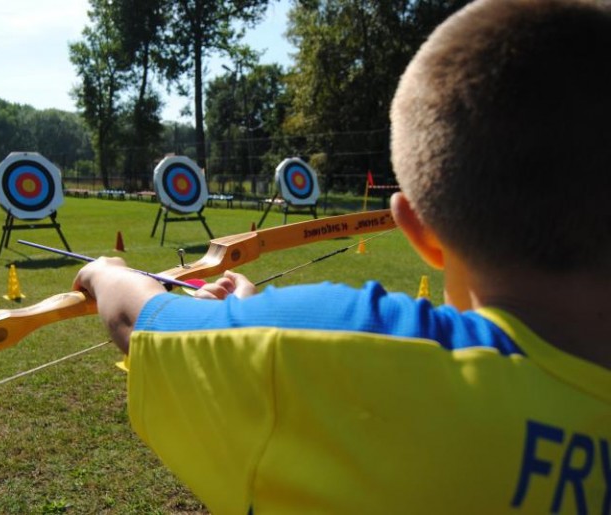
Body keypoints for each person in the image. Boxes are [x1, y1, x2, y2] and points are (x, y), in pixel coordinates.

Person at [74, 0, 611, 512]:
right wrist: (251, 311)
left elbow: (142, 320)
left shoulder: (344, 344)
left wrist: (105, 271)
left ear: (420, 232)